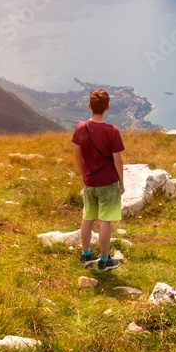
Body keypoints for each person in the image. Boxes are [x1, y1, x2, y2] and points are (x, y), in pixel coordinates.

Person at [71, 88, 124, 271]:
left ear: (89, 106)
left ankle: (86, 255)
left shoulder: (80, 128)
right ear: (107, 107)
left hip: (89, 182)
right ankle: (104, 260)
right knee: (105, 221)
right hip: (108, 183)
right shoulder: (112, 131)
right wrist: (122, 183)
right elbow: (117, 160)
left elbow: (78, 156)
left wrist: (84, 175)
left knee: (87, 218)